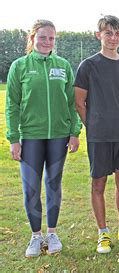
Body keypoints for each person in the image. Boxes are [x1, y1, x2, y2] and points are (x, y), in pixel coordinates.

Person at [5, 19, 81, 257]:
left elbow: (72, 102)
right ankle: (36, 237)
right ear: (32, 39)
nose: (47, 42)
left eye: (51, 38)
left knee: (53, 184)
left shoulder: (63, 65)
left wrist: (74, 131)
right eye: (42, 37)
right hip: (30, 137)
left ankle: (52, 233)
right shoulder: (19, 67)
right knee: (30, 189)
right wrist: (14, 138)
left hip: (59, 136)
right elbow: (12, 106)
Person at [74, 15, 119, 254]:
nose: (113, 38)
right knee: (99, 183)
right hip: (99, 136)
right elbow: (79, 103)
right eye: (108, 33)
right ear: (99, 35)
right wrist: (94, 127)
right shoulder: (88, 65)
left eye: (117, 33)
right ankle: (102, 233)